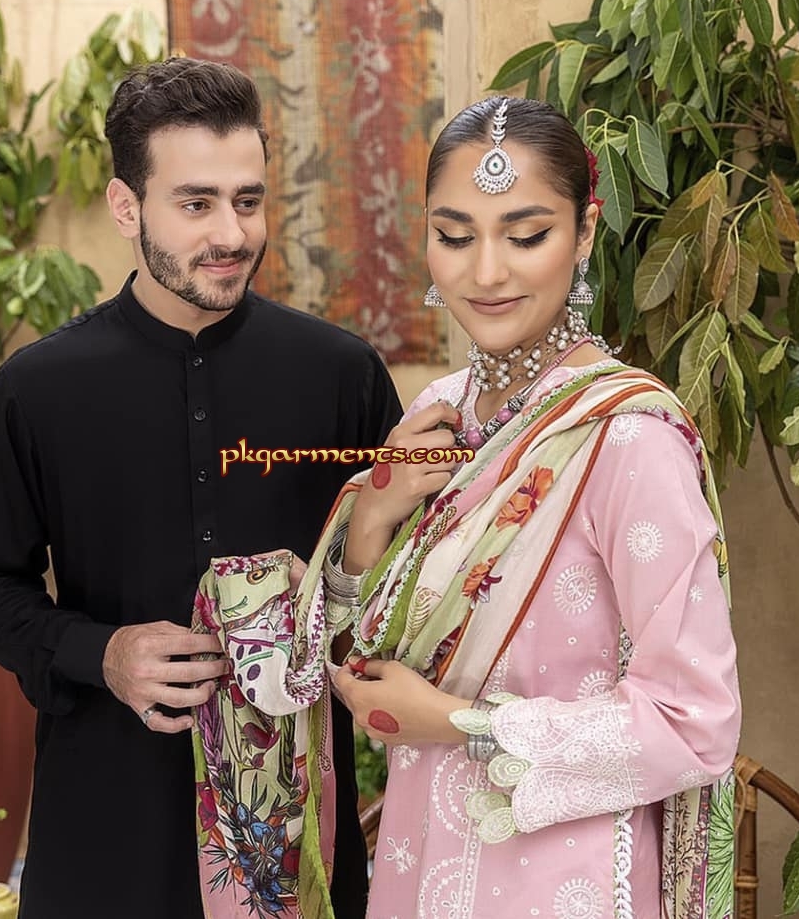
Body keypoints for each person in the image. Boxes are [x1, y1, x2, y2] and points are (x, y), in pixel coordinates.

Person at [0, 57, 402, 919]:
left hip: (293, 832)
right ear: (127, 207)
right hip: (107, 821)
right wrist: (101, 653)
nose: (231, 233)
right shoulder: (37, 389)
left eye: (248, 200)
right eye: (196, 204)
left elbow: (403, 584)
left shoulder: (344, 375)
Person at [304, 96, 741, 918]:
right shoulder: (434, 417)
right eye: (455, 236)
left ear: (585, 232)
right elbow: (363, 668)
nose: (486, 272)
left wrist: (464, 725)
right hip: (421, 860)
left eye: (526, 235)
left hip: (564, 878)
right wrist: (372, 517)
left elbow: (696, 721)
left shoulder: (626, 439)